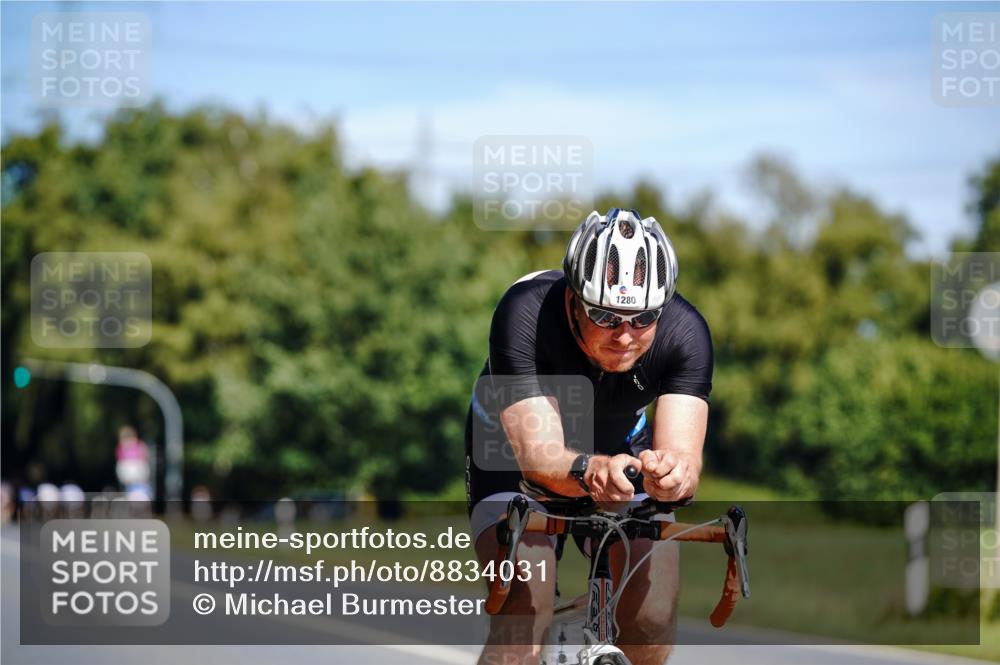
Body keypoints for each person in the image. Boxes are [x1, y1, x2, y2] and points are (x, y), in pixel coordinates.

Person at [465, 208, 713, 665]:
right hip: (511, 453)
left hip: (620, 451)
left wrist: (674, 477)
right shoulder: (525, 312)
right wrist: (591, 470)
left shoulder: (686, 332)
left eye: (642, 319)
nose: (624, 336)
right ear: (574, 300)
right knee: (526, 608)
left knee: (652, 617)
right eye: (604, 315)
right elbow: (539, 460)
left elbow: (685, 459)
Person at [115, 425, 151, 494]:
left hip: (138, 479)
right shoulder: (121, 448)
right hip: (132, 479)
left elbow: (144, 459)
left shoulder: (139, 446)